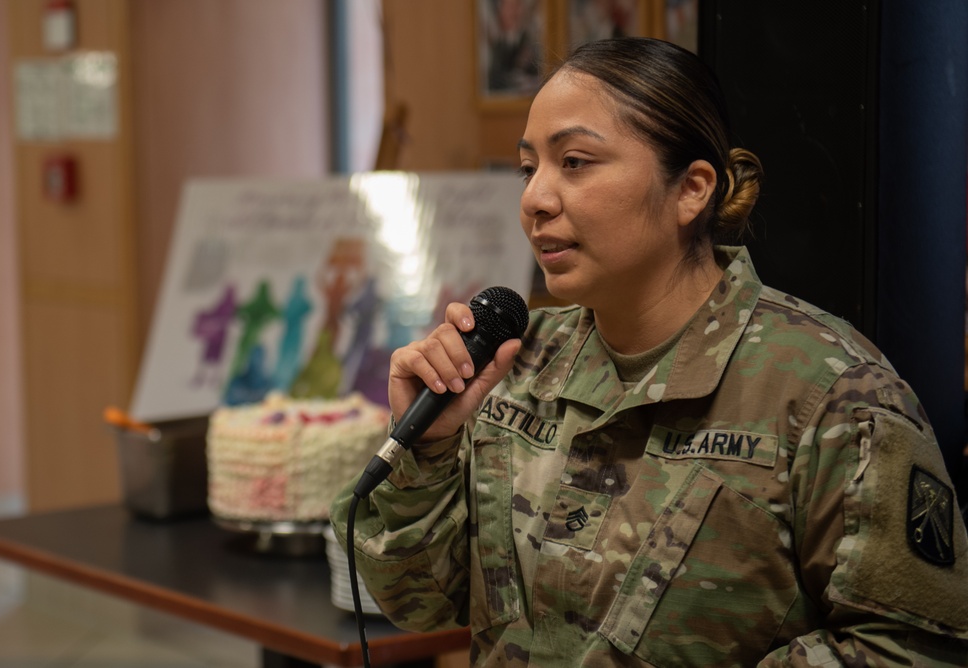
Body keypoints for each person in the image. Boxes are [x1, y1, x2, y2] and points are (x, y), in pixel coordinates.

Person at [330, 37, 968, 666]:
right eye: (530, 168)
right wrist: (431, 448)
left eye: (575, 162)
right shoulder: (515, 366)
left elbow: (913, 646)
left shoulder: (831, 392)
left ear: (692, 189)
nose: (534, 199)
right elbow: (420, 603)